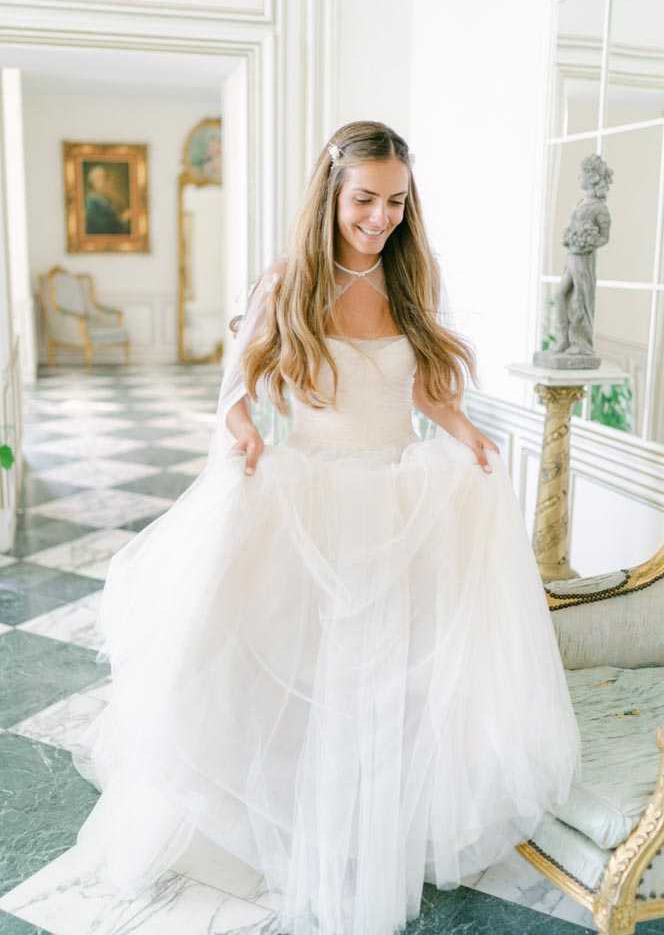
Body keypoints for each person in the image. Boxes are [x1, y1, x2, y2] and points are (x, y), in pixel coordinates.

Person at [72, 121, 581, 935]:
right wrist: (241, 429)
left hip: (399, 496)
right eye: (366, 201)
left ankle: (377, 821)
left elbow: (416, 388)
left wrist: (463, 430)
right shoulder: (287, 285)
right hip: (309, 498)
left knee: (395, 674)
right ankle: (295, 816)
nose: (381, 218)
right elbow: (235, 386)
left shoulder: (416, 278)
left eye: (396, 202)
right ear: (332, 197)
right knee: (300, 664)